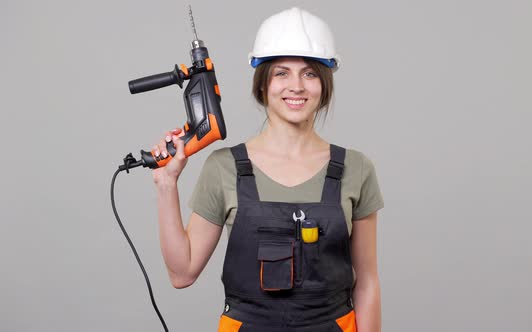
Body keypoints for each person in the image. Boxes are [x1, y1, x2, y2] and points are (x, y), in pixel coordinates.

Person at [151, 7, 384, 332]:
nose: (297, 86)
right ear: (262, 85)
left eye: (310, 73)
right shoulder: (224, 167)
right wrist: (166, 183)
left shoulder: (355, 169)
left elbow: (368, 282)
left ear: (325, 83)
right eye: (281, 73)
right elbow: (182, 273)